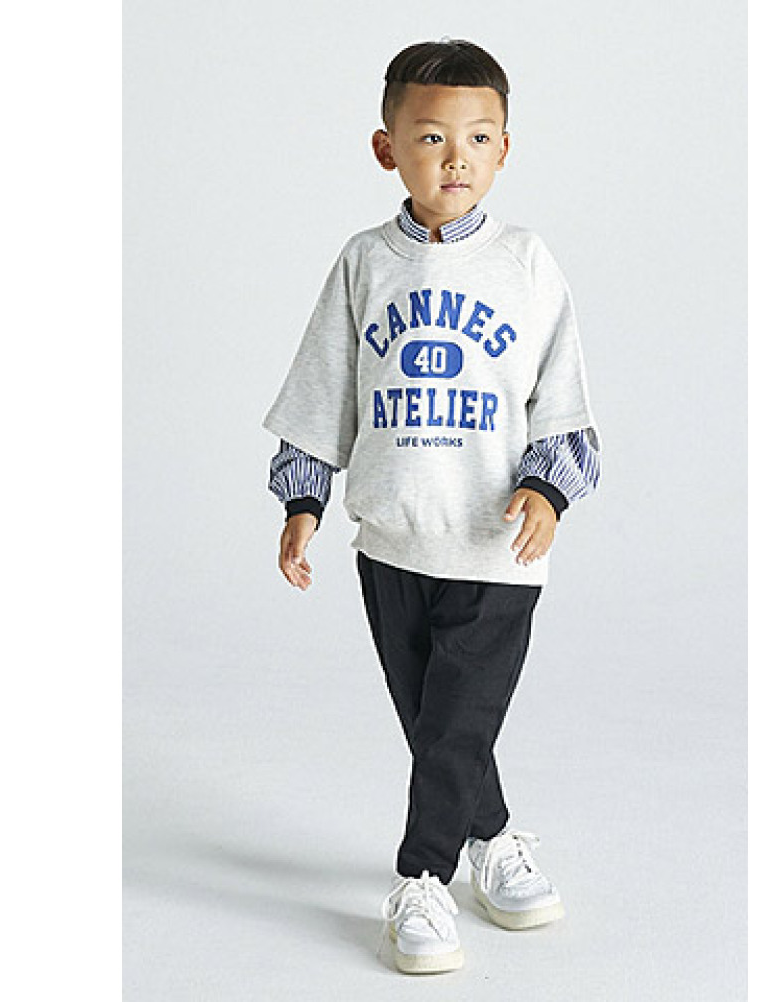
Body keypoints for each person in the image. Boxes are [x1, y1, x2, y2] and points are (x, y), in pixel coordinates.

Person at [261, 37, 601, 975]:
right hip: (390, 543)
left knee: (454, 724)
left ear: (504, 149)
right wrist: (303, 501)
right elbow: (323, 388)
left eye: (479, 138)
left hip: (496, 548)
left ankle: (422, 877)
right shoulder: (364, 262)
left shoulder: (525, 263)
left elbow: (563, 397)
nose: (457, 158)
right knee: (439, 726)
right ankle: (493, 838)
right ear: (387, 149)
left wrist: (547, 488)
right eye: (432, 137)